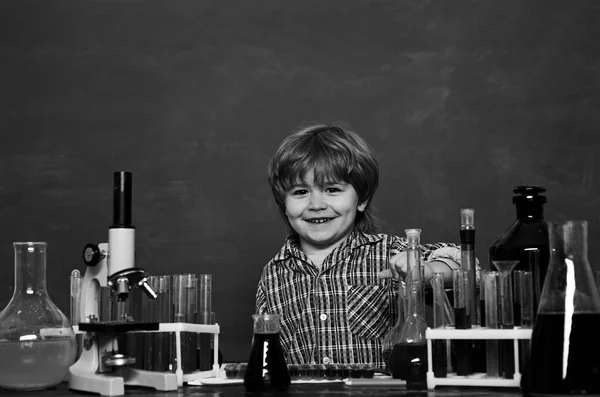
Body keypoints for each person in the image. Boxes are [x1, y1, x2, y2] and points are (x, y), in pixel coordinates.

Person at [254, 123, 464, 367]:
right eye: (300, 192)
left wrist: (428, 269)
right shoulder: (273, 275)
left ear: (362, 199)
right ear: (284, 202)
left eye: (332, 189)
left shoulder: (389, 253)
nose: (316, 204)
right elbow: (264, 357)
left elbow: (466, 264)